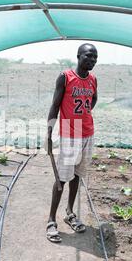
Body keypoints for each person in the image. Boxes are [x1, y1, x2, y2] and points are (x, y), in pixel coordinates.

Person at [45, 43, 98, 243]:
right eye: (88, 56)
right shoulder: (65, 77)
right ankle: (51, 220)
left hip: (87, 133)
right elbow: (54, 106)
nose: (92, 60)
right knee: (62, 179)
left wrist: (84, 112)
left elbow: (93, 99)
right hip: (70, 131)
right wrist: (49, 135)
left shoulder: (93, 79)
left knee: (77, 176)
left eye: (95, 58)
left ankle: (69, 213)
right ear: (78, 56)